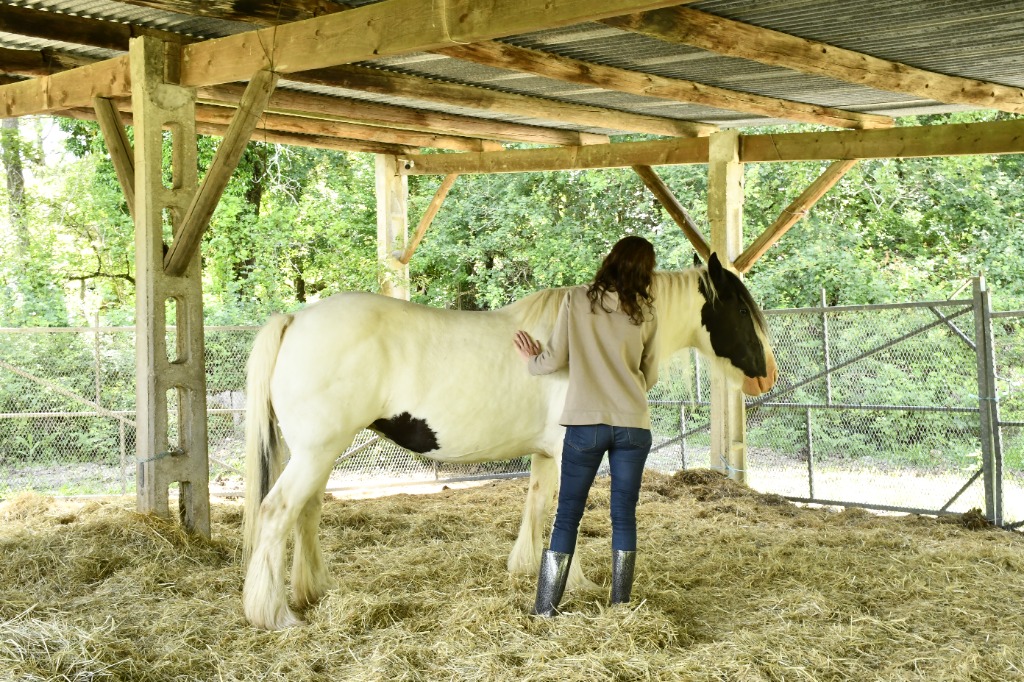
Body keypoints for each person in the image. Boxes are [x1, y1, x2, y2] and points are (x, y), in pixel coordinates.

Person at [513, 235, 659, 617]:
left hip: (585, 423)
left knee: (568, 515)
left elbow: (555, 358)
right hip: (633, 425)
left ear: (610, 259)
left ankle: (545, 609)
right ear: (646, 270)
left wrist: (531, 360)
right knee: (624, 515)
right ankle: (621, 607)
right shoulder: (646, 311)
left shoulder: (577, 300)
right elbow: (651, 373)